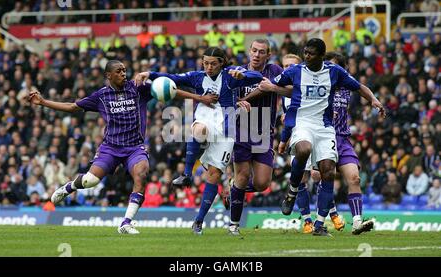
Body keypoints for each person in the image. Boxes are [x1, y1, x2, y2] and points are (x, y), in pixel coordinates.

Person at [136, 47, 262, 235]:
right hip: (205, 119)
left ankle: (198, 221)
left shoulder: (230, 75)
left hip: (226, 130)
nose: (208, 67)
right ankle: (187, 173)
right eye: (205, 63)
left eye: (213, 63)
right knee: (198, 129)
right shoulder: (197, 77)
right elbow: (174, 78)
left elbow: (257, 77)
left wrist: (242, 75)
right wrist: (150, 73)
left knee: (213, 176)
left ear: (221, 62)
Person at [270, 38, 385, 236]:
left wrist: (374, 100)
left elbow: (358, 86)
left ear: (321, 56)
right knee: (304, 152)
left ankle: (320, 224)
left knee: (328, 172)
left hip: (327, 129)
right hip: (303, 123)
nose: (306, 56)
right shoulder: (296, 72)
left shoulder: (334, 73)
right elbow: (271, 85)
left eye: (311, 53)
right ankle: (293, 191)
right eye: (304, 52)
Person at [28, 60, 151, 235]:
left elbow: (168, 87)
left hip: (134, 147)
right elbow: (72, 107)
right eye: (119, 71)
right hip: (111, 147)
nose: (124, 73)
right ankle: (68, 188)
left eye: (125, 70)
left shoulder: (138, 88)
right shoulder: (101, 96)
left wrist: (197, 98)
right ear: (108, 75)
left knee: (141, 174)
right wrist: (43, 102)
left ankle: (126, 223)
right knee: (90, 181)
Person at [227, 39, 284, 236]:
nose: (257, 55)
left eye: (261, 52)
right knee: (242, 176)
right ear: (249, 52)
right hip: (241, 131)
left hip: (263, 134)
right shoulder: (237, 71)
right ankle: (234, 225)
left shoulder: (274, 71)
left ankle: (233, 189)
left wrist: (274, 89)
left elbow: (289, 88)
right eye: (254, 50)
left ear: (268, 55)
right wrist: (238, 103)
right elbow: (227, 97)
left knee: (262, 183)